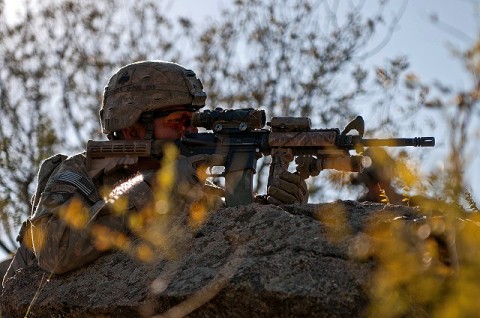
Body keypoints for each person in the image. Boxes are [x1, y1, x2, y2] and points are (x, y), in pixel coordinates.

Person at [2, 61, 308, 285]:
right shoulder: (79, 171)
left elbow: (233, 222)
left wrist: (277, 207)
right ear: (132, 127)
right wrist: (153, 189)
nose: (190, 131)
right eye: (178, 121)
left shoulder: (184, 179)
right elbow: (55, 250)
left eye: (193, 120)